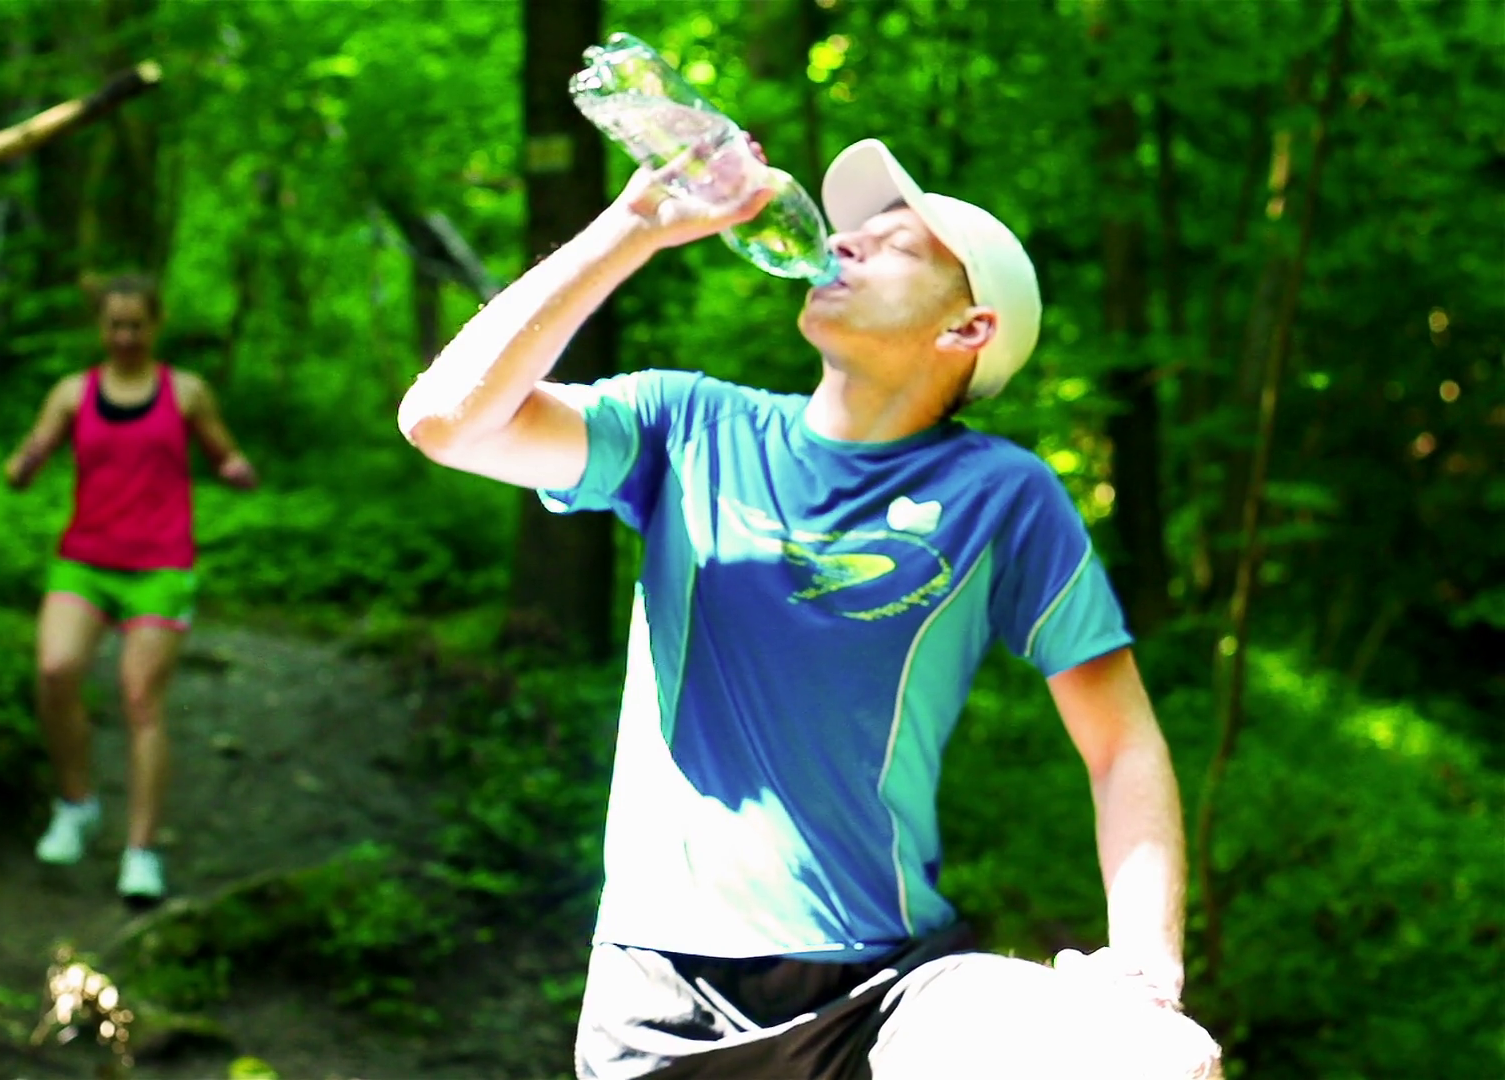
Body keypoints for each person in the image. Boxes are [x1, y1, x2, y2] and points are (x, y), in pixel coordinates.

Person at [397, 136, 1223, 1079]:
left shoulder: (1003, 493)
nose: (848, 244)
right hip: (657, 997)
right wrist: (633, 226)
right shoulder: (689, 425)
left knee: (1152, 1061)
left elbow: (1122, 745)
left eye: (897, 244)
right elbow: (446, 420)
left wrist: (1147, 974)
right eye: (851, 230)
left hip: (891, 993)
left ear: (968, 330)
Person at [4, 273, 258, 904]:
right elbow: (31, 452)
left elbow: (223, 453)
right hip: (85, 558)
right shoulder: (72, 394)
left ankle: (141, 853)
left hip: (160, 564)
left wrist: (233, 469)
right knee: (56, 671)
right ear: (101, 328)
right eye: (114, 325)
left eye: (135, 325)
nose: (124, 336)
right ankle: (77, 803)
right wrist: (26, 463)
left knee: (140, 699)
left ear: (154, 326)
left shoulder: (187, 393)